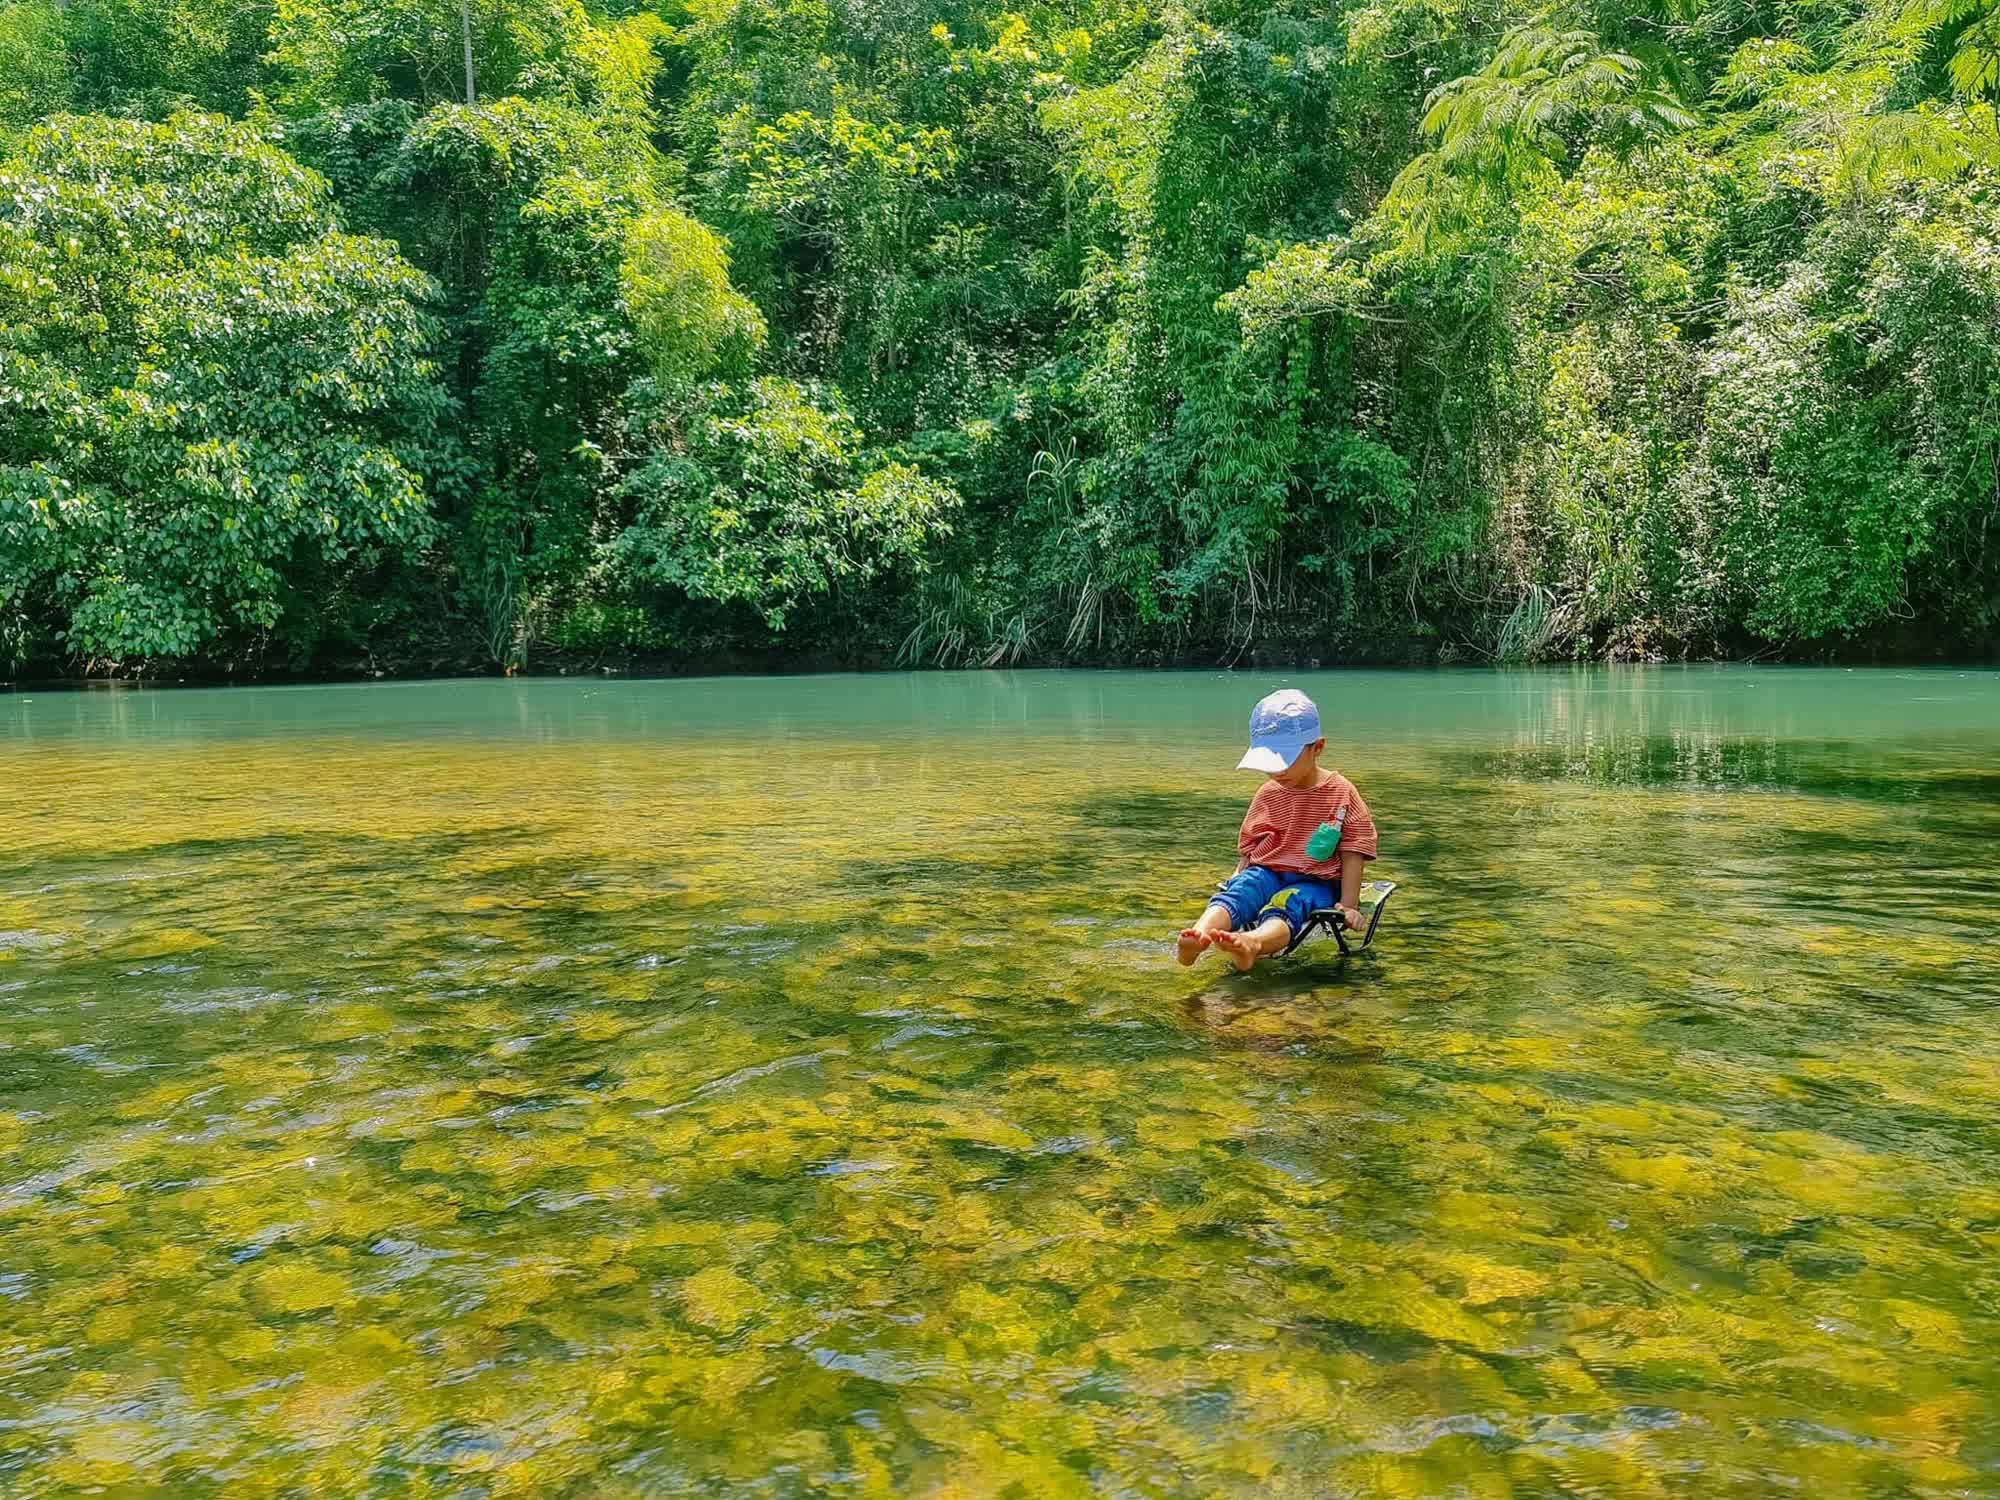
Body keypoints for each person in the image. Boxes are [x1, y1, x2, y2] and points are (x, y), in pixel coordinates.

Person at [1177, 688, 1379, 972]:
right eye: (1269, 764)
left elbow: (1353, 850)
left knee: (1291, 901)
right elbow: (1253, 845)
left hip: (1317, 880)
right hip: (1269, 870)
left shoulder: (1341, 794)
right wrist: (1237, 878)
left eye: (1285, 761)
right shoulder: (1269, 793)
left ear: (1317, 748)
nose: (1277, 773)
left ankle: (1255, 943)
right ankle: (1200, 935)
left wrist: (1349, 904)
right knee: (1243, 890)